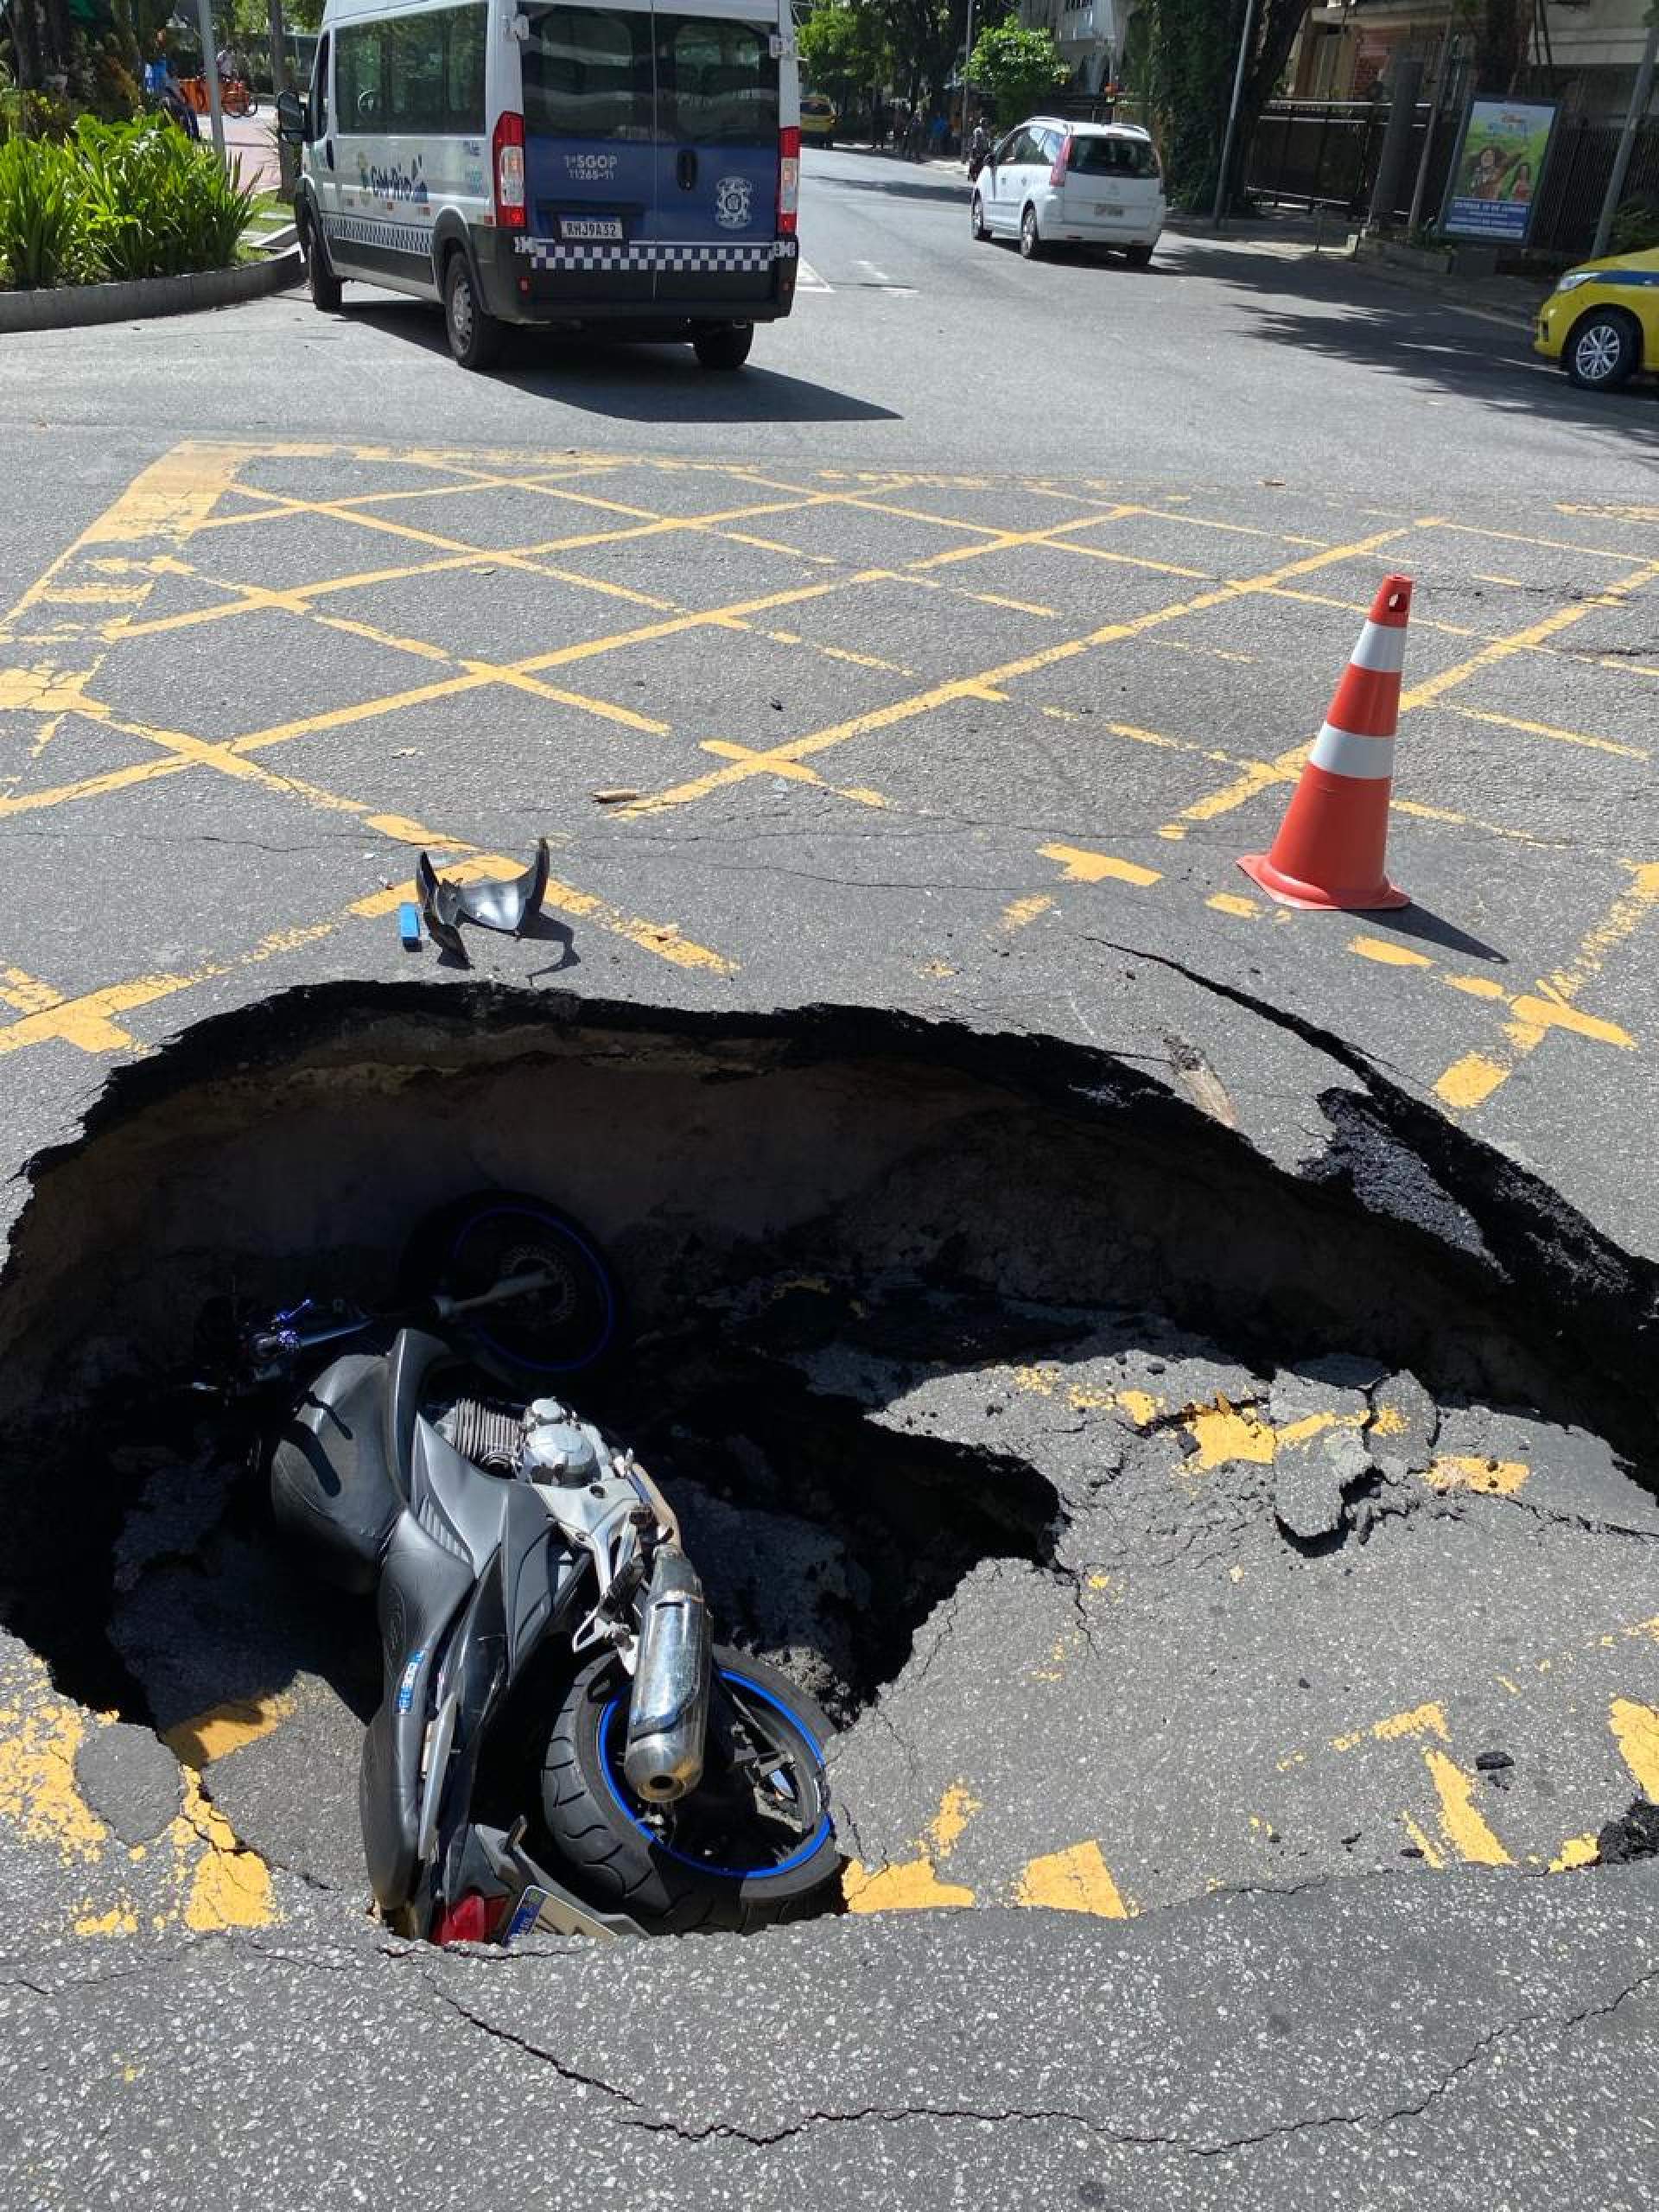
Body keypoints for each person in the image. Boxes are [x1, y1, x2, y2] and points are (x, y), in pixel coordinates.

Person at [143, 31, 200, 138]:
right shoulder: (153, 67)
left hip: (171, 96)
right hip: (161, 96)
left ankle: (195, 135)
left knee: (190, 110)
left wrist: (186, 100)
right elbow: (165, 89)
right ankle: (187, 134)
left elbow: (179, 89)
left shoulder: (171, 76)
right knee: (181, 110)